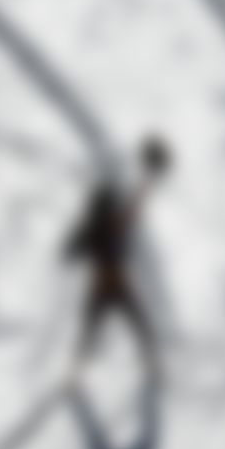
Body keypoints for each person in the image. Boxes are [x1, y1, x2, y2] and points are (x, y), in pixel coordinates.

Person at [64, 136, 171, 388]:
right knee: (137, 327)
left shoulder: (95, 227)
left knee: (93, 332)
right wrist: (149, 177)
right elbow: (135, 204)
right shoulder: (108, 225)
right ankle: (150, 365)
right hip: (115, 287)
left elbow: (70, 253)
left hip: (103, 288)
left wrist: (149, 178)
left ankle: (75, 374)